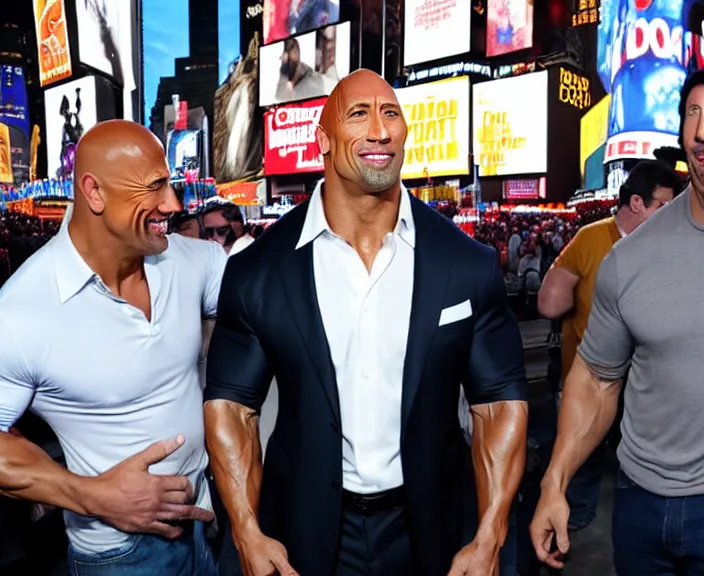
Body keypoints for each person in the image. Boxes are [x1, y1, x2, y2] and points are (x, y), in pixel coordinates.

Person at [204, 69, 528, 575]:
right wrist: (246, 531)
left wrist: (491, 533)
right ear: (323, 141)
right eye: (359, 114)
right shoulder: (258, 270)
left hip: (433, 529)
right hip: (304, 534)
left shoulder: (466, 263)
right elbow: (231, 408)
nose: (380, 130)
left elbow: (498, 404)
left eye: (391, 113)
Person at [0, 120, 227, 575]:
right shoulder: (24, 309)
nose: (173, 204)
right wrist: (95, 496)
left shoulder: (190, 260)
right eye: (154, 187)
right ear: (95, 193)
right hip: (120, 555)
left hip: (208, 526)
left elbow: (279, 289)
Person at [530, 70, 704, 575]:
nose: (703, 129)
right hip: (640, 508)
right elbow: (596, 381)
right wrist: (554, 482)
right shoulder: (629, 259)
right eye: (694, 113)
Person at [537, 159, 679, 530]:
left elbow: (552, 303)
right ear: (636, 204)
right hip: (593, 378)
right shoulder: (594, 239)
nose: (671, 214)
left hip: (641, 387)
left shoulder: (592, 237)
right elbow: (550, 303)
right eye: (663, 206)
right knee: (585, 457)